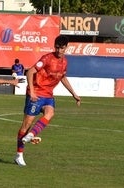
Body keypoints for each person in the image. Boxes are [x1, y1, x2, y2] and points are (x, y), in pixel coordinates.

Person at [14, 35, 81, 166]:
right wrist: (32, 91)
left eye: (61, 48)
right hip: (36, 94)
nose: (59, 50)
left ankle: (32, 134)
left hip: (48, 95)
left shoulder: (65, 62)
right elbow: (30, 72)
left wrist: (74, 94)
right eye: (57, 47)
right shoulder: (47, 58)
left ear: (66, 47)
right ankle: (19, 155)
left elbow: (62, 78)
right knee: (25, 126)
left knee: (50, 113)